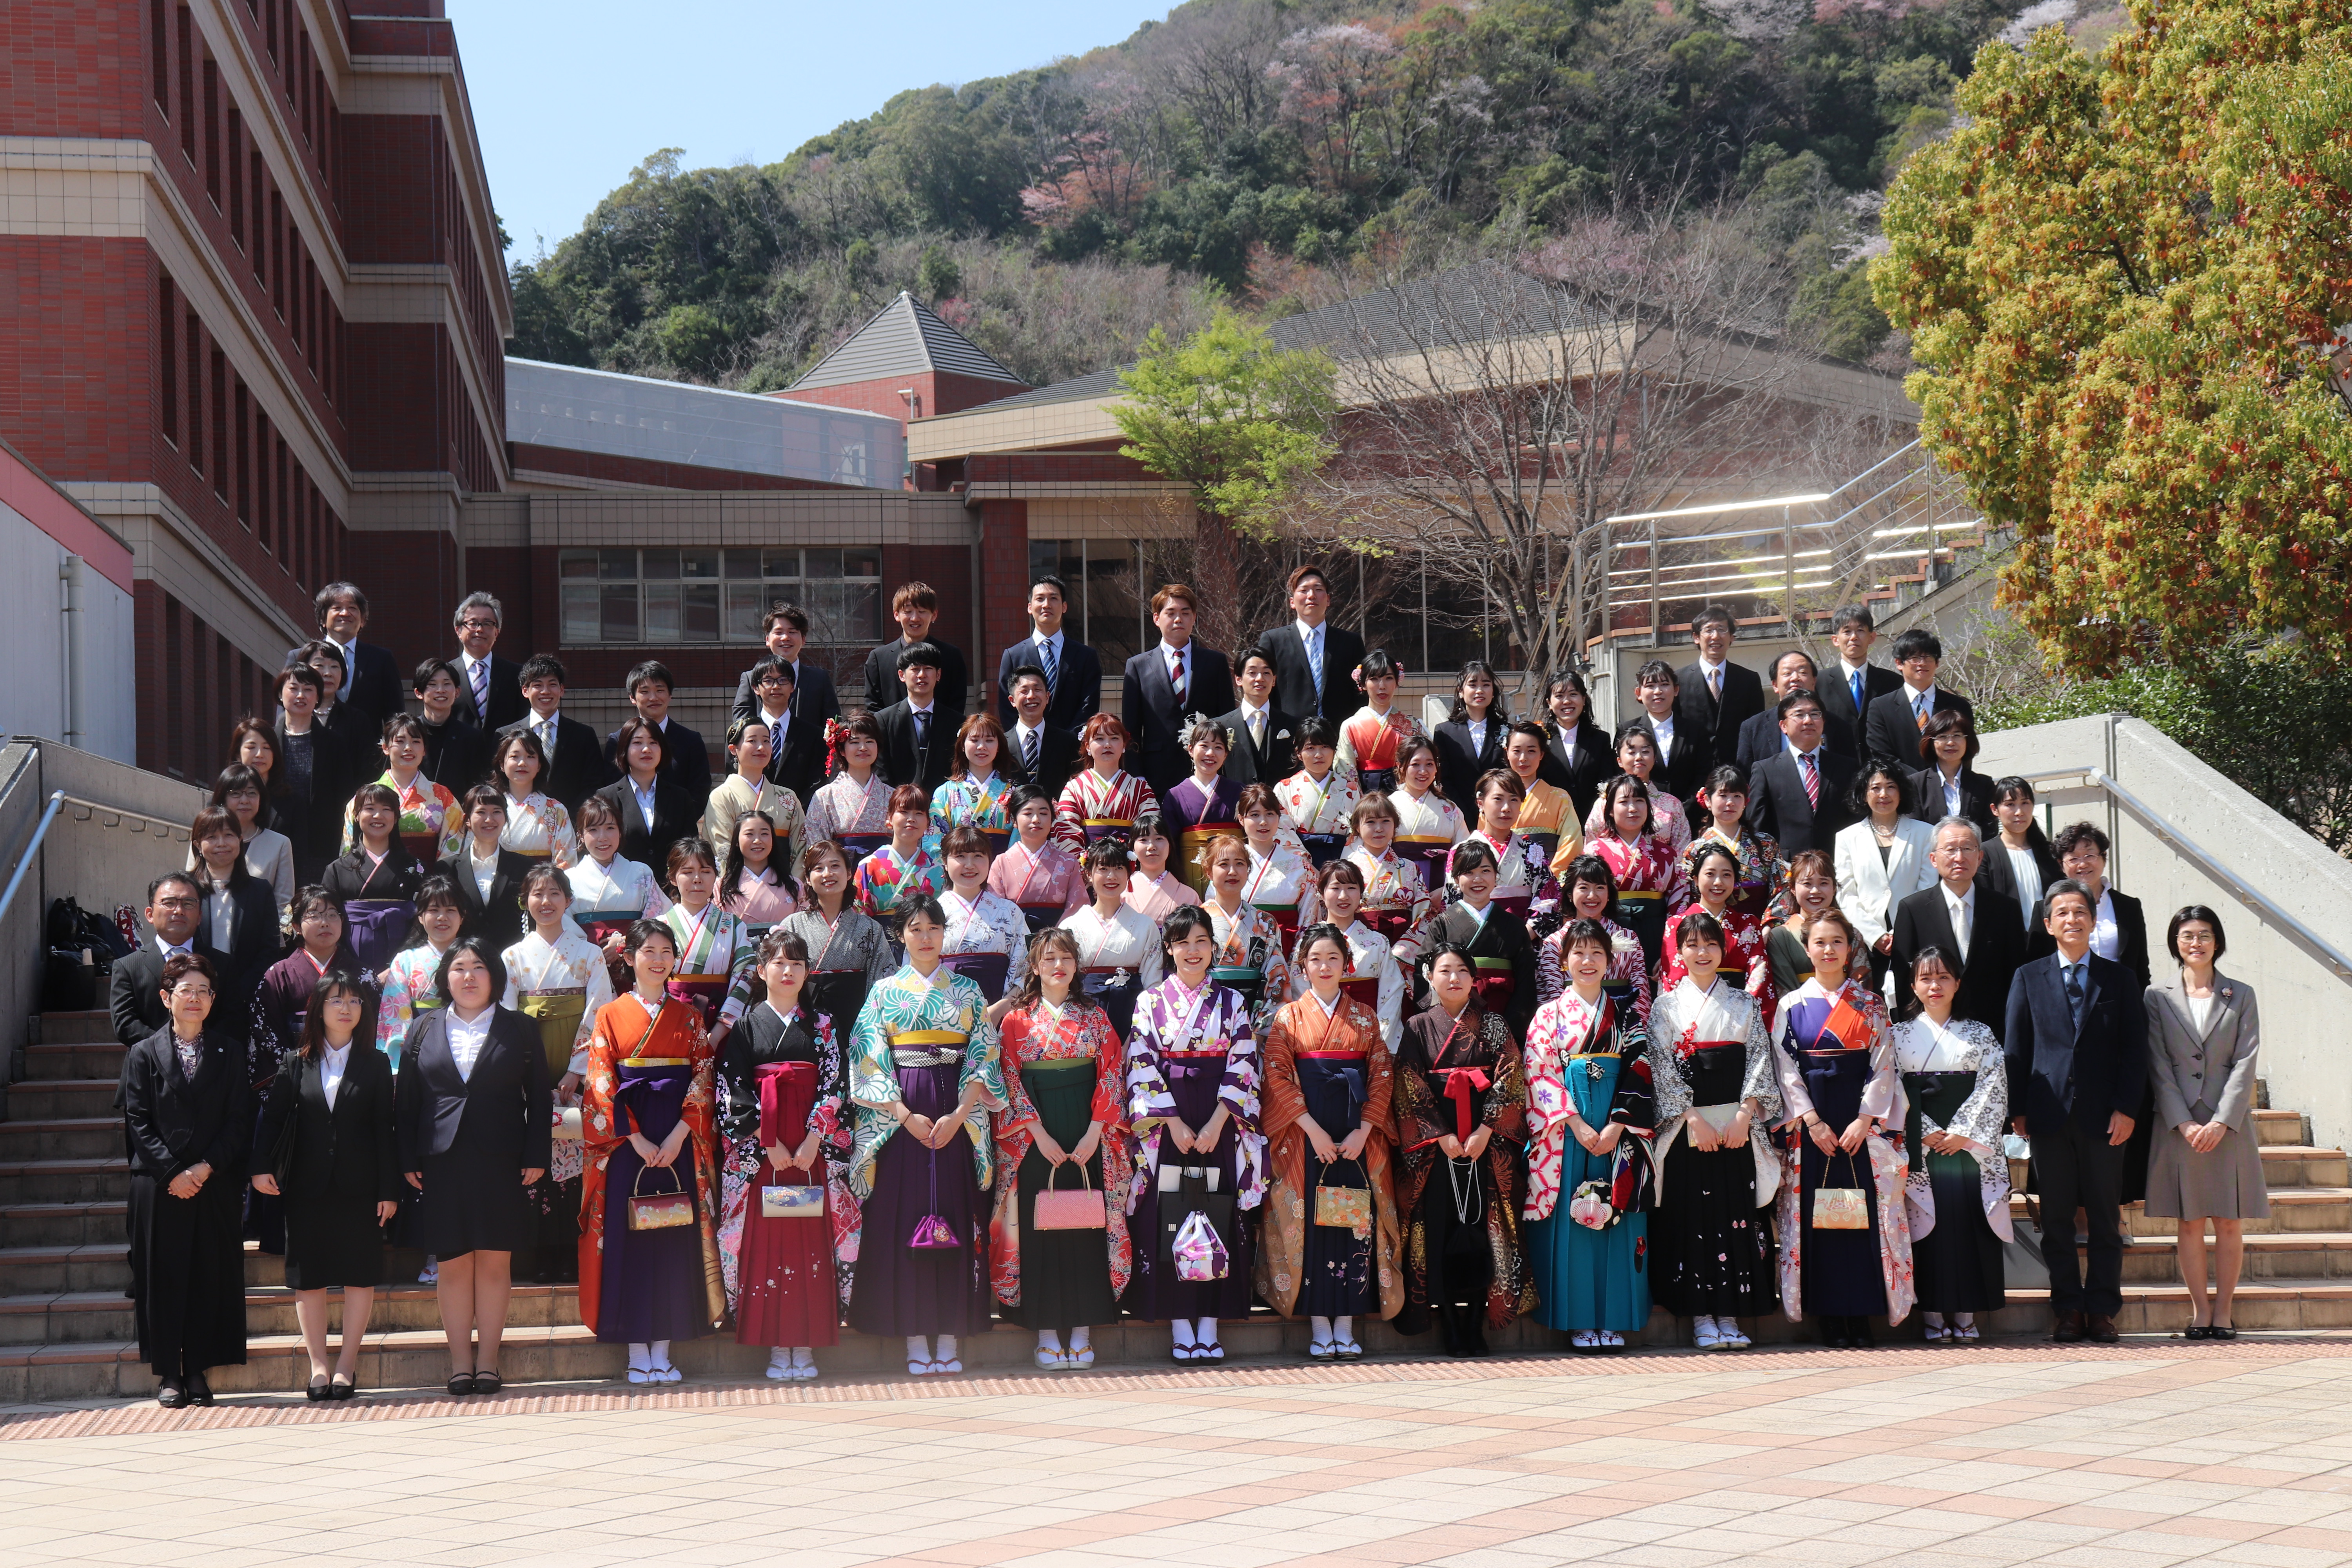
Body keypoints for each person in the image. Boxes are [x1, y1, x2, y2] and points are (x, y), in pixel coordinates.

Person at [846, 896, 1007, 1376]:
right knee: (906, 1216)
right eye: (915, 928)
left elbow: (984, 1054)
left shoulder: (969, 991)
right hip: (903, 1114)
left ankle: (950, 1333)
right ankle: (915, 1335)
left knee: (956, 1215)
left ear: (945, 934)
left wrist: (961, 1114)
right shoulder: (883, 992)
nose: (925, 937)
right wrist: (900, 1113)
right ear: (901, 935)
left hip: (954, 1107)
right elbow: (867, 1053)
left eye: (933, 928)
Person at [396, 937, 551, 1395]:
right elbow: (406, 1102)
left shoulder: (520, 1029)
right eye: (459, 967)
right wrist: (407, 1157)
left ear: (494, 977)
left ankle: (489, 1362)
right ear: (446, 977)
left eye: (479, 967)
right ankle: (460, 1362)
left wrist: (536, 1155)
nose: (469, 976)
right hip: (441, 1160)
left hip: (502, 1158)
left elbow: (539, 1100)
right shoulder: (422, 1029)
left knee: (494, 1264)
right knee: (453, 1263)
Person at [2004, 878, 2149, 1345]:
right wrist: (2019, 1111)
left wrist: (2127, 1108)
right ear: (2048, 924)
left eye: (2080, 912)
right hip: (2048, 1118)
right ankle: (2067, 1308)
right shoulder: (2028, 976)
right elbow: (2017, 1049)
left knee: (2107, 1220)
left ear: (2093, 920)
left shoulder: (2119, 978)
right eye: (2062, 913)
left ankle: (2104, 1309)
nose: (2072, 919)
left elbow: (2134, 1050)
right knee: (2058, 1221)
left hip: (2105, 1117)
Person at [579, 919, 724, 1383]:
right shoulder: (609, 1015)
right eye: (649, 951)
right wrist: (636, 1138)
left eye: (666, 951)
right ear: (630, 957)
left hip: (677, 1136)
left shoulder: (690, 1016)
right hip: (629, 1140)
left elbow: (704, 1076)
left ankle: (663, 1346)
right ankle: (636, 1350)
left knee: (673, 1236)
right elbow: (601, 1083)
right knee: (632, 1240)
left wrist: (682, 1132)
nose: (658, 960)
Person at [1122, 904, 1266, 1362]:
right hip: (1171, 1119)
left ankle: (1211, 1320)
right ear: (1169, 947)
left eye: (1201, 941)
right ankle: (1181, 1322)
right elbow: (1141, 1063)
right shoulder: (1150, 1002)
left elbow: (1244, 1062)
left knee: (1217, 1212)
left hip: (1218, 1115)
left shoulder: (1233, 1002)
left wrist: (1221, 1120)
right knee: (1173, 1214)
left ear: (1213, 947)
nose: (1192, 950)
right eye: (1182, 941)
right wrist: (1175, 1123)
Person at [251, 968, 401, 1397]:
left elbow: (384, 1130)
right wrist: (260, 1167)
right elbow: (274, 1118)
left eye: (354, 1000)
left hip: (361, 1186)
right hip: (306, 1184)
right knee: (309, 1276)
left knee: (359, 1274)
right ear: (318, 1008)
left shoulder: (375, 1063)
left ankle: (347, 1365)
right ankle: (318, 1366)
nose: (346, 1008)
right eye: (336, 999)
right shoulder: (295, 1061)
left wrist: (389, 1189)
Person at [990, 926, 1134, 1368]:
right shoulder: (1016, 1020)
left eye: (1067, 958)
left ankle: (1084, 1328)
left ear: (1077, 965)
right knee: (1042, 1230)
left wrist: (1095, 1132)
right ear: (1034, 966)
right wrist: (1037, 1133)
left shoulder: (1095, 1016)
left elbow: (1111, 1072)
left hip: (1087, 1133)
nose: (1058, 966)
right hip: (1037, 1137)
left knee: (1086, 1227)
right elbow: (1009, 1078)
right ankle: (1048, 1331)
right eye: (1049, 958)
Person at [1258, 923, 1403, 1358]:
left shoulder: (1364, 1018)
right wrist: (1312, 1129)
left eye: (1333, 958)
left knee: (1353, 1222)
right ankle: (1320, 1323)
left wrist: (1364, 1130)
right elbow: (1278, 1075)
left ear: (1347, 965)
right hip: (1306, 1137)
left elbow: (1381, 1075)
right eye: (1316, 959)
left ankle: (1348, 1321)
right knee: (1313, 1223)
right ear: (1302, 966)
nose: (1324, 966)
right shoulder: (1288, 1017)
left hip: (1354, 1135)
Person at [1772, 907, 1913, 1347]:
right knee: (1820, 1222)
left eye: (1837, 941)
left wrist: (1866, 1119)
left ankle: (1863, 1313)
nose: (1828, 950)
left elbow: (1884, 1064)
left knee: (1863, 1219)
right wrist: (1811, 1121)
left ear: (1850, 948)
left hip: (1859, 1127)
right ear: (1808, 948)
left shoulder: (1870, 1004)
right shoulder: (1791, 1005)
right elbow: (1784, 1067)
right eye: (1820, 942)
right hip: (1815, 1127)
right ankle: (1829, 1314)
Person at [717, 930, 851, 1380]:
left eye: (797, 963)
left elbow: (835, 1084)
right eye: (778, 963)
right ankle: (776, 1345)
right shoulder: (746, 1028)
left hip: (810, 1150)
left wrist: (815, 1137)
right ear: (761, 971)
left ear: (807, 971)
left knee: (809, 1240)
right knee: (766, 1242)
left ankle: (807, 1345)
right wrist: (768, 1143)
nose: (788, 971)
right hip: (766, 1154)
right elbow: (731, 1092)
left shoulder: (825, 1025)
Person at [1645, 912, 1782, 1348]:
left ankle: (1731, 1313)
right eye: (1692, 945)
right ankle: (1702, 1316)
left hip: (1736, 1128)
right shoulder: (1665, 1006)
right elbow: (1662, 1069)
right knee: (1692, 1219)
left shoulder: (1743, 1003)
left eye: (1710, 944)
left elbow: (1760, 1060)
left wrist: (1746, 1114)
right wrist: (1690, 1118)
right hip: (1690, 1130)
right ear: (1679, 952)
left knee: (1735, 1217)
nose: (1701, 953)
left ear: (1723, 951)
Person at [121, 950, 249, 1408]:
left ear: (213, 1000)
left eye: (203, 991)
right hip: (159, 1185)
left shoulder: (230, 1052)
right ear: (166, 997)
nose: (194, 999)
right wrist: (173, 1171)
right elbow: (137, 1120)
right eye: (185, 990)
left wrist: (205, 1167)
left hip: (213, 1182)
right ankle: (169, 1374)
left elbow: (239, 1119)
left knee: (208, 1277)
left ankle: (198, 1369)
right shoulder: (142, 1054)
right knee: (163, 1277)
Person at [1522, 921, 1653, 1351]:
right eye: (1578, 953)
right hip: (1568, 1131)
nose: (1588, 961)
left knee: (1615, 1215)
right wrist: (1576, 1124)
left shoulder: (1628, 1015)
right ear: (1564, 964)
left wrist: (1617, 1125)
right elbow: (1539, 1073)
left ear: (1609, 961)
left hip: (1617, 1128)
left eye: (1597, 953)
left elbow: (1640, 1069)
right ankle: (1578, 1319)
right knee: (1573, 1221)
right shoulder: (1549, 1016)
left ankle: (1613, 1318)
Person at [2145, 907, 2267, 1341]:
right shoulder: (2156, 996)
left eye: (2204, 935)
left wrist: (2221, 1121)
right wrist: (2183, 1122)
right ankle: (2199, 1311)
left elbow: (2246, 1061)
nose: (2195, 943)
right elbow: (2157, 1065)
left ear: (2218, 941)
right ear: (2175, 943)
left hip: (2228, 1126)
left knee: (2230, 1220)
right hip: (2179, 1125)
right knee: (2190, 1221)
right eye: (2186, 936)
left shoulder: (2242, 994)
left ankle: (2225, 1311)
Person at [2030, 821, 2156, 1203]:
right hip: (2065, 1025)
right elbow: (2037, 967)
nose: (2082, 863)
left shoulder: (2128, 907)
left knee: (2117, 1119)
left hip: (2115, 1017)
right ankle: (2078, 1216)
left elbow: (2142, 967)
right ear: (2061, 864)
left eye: (2091, 855)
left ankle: (2114, 1212)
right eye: (2073, 857)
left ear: (2103, 859)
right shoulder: (2047, 910)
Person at [501, 863, 613, 1285]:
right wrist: (528, 1074)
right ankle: (539, 1255)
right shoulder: (512, 957)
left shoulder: (588, 956)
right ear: (525, 902)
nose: (545, 902)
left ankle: (570, 1251)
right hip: (529, 1067)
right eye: (536, 894)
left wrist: (575, 1071)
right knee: (536, 1161)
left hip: (575, 1069)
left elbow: (599, 1012)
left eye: (554, 893)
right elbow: (509, 1017)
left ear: (568, 901)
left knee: (574, 1159)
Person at [1894, 945, 2011, 1343]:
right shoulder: (1898, 1035)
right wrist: (1924, 1129)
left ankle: (1965, 1313)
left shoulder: (1980, 1033)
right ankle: (1930, 1313)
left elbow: (1994, 1084)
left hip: (1969, 1147)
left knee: (1968, 1225)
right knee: (1928, 1229)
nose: (1935, 985)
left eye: (1944, 976)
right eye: (1926, 977)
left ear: (1958, 983)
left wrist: (1965, 1131)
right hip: (1920, 1144)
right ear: (1913, 985)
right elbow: (1893, 1088)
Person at [1891, 818, 2027, 1024]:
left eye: (1967, 848)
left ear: (1980, 857)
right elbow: (1903, 979)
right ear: (1934, 859)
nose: (1959, 857)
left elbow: (2017, 975)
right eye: (1950, 849)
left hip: (1994, 1028)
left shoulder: (2005, 909)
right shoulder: (1912, 909)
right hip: (1933, 1030)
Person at [780, 838, 897, 1045]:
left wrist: (872, 1024)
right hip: (804, 1023)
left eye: (835, 866)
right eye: (819, 868)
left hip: (859, 1026)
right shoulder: (792, 925)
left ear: (849, 873)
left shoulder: (870, 928)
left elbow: (883, 983)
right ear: (807, 878)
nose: (828, 874)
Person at [1834, 759, 1937, 993]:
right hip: (1867, 941)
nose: (1884, 794)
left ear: (1901, 792)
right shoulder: (1847, 838)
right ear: (1864, 794)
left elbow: (1927, 886)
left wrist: (1900, 932)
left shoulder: (1925, 833)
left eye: (1891, 787)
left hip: (1914, 936)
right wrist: (1876, 935)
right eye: (1875, 788)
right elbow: (1846, 893)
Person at [1419, 838, 1537, 1040]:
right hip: (1453, 1014)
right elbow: (1424, 973)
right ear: (1456, 879)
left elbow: (1526, 982)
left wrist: (1511, 1026)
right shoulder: (1442, 924)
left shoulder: (1514, 925)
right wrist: (1442, 1019)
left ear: (1496, 876)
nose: (1478, 879)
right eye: (1469, 873)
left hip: (1504, 1014)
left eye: (1485, 871)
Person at [1121, 583, 1230, 796]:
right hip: (1156, 774)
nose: (1178, 619)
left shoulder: (1215, 662)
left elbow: (1225, 719)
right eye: (1170, 613)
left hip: (1207, 771)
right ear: (1156, 619)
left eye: (1185, 613)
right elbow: (1131, 730)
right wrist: (1137, 775)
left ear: (1194, 618)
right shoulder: (1138, 665)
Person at [187, 806, 278, 1050]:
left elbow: (269, 949)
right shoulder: (186, 890)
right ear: (197, 844)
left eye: (229, 836)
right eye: (211, 837)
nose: (221, 843)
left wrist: (240, 989)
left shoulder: (260, 891)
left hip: (244, 999)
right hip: (193, 998)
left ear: (240, 840)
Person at [730, 603, 842, 799]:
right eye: (779, 632)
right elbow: (739, 728)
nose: (785, 638)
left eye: (793, 632)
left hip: (806, 778)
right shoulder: (750, 679)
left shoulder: (819, 679)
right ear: (767, 639)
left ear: (804, 639)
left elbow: (831, 728)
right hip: (760, 779)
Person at [1659, 840, 1776, 1028]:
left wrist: (1742, 1015)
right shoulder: (1676, 924)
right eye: (1710, 874)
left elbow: (1759, 976)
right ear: (1695, 879)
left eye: (1726, 875)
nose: (1718, 883)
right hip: (1693, 1018)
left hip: (1739, 1019)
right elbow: (1674, 979)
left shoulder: (1748, 923)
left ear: (1736, 881)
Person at [256, 889, 376, 1066]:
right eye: (314, 916)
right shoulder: (278, 976)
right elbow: (266, 1033)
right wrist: (292, 1072)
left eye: (332, 915)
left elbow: (374, 1029)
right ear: (296, 926)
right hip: (296, 1074)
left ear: (343, 922)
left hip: (354, 1071)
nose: (325, 923)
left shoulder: (364, 975)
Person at [1060, 837, 1163, 1040]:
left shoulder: (1145, 925)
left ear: (1129, 874)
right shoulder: (1070, 926)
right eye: (1103, 869)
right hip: (1082, 1015)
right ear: (1089, 874)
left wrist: (1144, 1028)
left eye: (1118, 868)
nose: (1111, 876)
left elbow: (1153, 984)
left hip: (1132, 1014)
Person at [1586, 776, 1689, 976]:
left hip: (1656, 931)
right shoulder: (1595, 851)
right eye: (1624, 802)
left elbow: (1679, 898)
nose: (1633, 808)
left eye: (1640, 801)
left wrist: (1670, 947)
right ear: (1609, 810)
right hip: (1609, 930)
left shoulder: (1666, 854)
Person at [658, 838, 759, 1040]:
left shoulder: (735, 926)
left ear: (715, 876)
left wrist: (718, 1033)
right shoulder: (660, 927)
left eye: (705, 871)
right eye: (687, 872)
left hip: (720, 1024)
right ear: (673, 878)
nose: (697, 879)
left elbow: (745, 978)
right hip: (668, 1021)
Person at [322, 783, 426, 972]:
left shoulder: (414, 868)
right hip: (348, 965)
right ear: (356, 815)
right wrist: (347, 964)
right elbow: (328, 920)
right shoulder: (337, 869)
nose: (378, 816)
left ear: (396, 818)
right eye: (370, 809)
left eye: (386, 810)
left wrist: (401, 964)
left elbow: (424, 918)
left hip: (404, 965)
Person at [1745, 690, 1861, 858]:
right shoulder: (1766, 770)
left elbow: (1857, 819)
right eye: (1799, 715)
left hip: (1838, 861)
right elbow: (1758, 825)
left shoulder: (1847, 767)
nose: (1808, 721)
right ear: (1784, 726)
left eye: (1815, 714)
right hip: (1786, 867)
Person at [1536, 856, 1653, 1024]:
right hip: (1571, 1026)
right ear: (1570, 894)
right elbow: (1551, 995)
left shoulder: (1629, 938)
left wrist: (1633, 1030)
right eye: (1584, 888)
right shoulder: (1554, 943)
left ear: (1609, 894)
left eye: (1600, 888)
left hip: (1623, 1024)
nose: (1592, 896)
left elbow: (1641, 991)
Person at [1200, 833, 1295, 1035]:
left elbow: (1277, 977)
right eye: (1224, 864)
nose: (1233, 872)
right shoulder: (1197, 921)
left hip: (1253, 1013)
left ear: (1248, 870)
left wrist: (1261, 1030)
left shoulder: (1266, 923)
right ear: (1208, 871)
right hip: (1205, 1013)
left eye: (1240, 864)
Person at [349, 713, 467, 867]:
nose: (408, 748)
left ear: (425, 749)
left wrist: (438, 881)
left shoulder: (443, 796)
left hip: (428, 883)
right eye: (400, 741)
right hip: (375, 878)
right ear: (386, 747)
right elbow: (350, 843)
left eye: (416, 741)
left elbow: (454, 844)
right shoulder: (364, 798)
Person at [504, 654, 615, 818]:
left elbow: (593, 785)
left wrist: (565, 818)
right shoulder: (506, 735)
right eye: (538, 685)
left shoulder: (584, 735)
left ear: (562, 690)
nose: (545, 691)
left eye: (552, 685)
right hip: (518, 822)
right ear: (525, 691)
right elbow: (500, 782)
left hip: (570, 824)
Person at [935, 824, 1032, 1007]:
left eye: (978, 856)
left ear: (990, 860)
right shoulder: (932, 912)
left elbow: (1027, 967)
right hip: (942, 1009)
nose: (970, 865)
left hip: (1000, 1008)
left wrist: (1001, 1008)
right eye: (960, 856)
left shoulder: (1009, 912)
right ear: (945, 863)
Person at [564, 794, 673, 956]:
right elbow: (563, 926)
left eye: (610, 828)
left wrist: (625, 943)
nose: (603, 838)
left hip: (635, 958)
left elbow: (661, 920)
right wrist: (591, 949)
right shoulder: (568, 879)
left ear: (621, 832)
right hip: (585, 958)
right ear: (580, 835)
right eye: (593, 830)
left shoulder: (641, 873)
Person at [1450, 769, 1559, 930]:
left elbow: (1548, 900)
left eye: (1514, 800)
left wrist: (1523, 938)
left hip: (1523, 939)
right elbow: (1452, 902)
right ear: (1481, 803)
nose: (1507, 808)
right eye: (1498, 799)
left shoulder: (1534, 852)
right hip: (1474, 940)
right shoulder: (1460, 852)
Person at [1256, 564, 1366, 722]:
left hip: (1340, 736)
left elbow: (1361, 692)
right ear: (1292, 602)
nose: (1312, 596)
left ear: (1328, 600)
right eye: (1304, 590)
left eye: (1318, 589)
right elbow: (1262, 690)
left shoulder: (1351, 642)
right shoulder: (1273, 641)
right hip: (1289, 736)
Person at [591, 717, 703, 870]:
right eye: (638, 743)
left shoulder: (681, 797)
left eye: (653, 743)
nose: (646, 749)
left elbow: (689, 849)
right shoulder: (606, 798)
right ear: (624, 749)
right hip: (623, 887)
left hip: (670, 889)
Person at [375, 874, 467, 1057]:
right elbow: (395, 1016)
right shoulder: (405, 961)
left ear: (462, 917)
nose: (442, 917)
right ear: (421, 917)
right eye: (434, 910)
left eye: (450, 910)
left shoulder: (476, 957)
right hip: (420, 1045)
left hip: (467, 1041)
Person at [996, 572, 1102, 732]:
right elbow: (1007, 707)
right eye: (1040, 599)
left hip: (1071, 748)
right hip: (1028, 748)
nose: (1047, 605)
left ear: (1064, 607)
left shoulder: (1086, 656)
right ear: (1030, 608)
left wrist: (1068, 740)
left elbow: (1089, 705)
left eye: (1053, 598)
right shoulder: (1013, 656)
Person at [271, 662, 346, 885]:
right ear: (280, 693)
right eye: (293, 688)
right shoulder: (266, 742)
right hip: (274, 841)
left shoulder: (334, 745)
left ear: (318, 698)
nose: (301, 695)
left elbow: (344, 798)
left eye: (309, 689)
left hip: (320, 846)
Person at [1344, 794, 1440, 967]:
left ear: (1395, 825)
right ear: (1357, 827)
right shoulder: (1346, 868)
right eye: (1371, 822)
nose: (1379, 828)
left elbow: (1423, 914)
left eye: (1386, 821)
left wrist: (1402, 953)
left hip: (1402, 947)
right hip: (1358, 947)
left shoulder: (1410, 868)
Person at [190, 764, 295, 920]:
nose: (245, 800)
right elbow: (191, 888)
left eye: (252, 793)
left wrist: (273, 938)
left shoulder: (280, 844)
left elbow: (284, 904)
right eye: (236, 794)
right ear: (222, 798)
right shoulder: (204, 839)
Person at [112, 873, 204, 1049]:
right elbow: (125, 1024)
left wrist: (198, 1049)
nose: (179, 911)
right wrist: (171, 1048)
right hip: (149, 1068)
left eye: (188, 903)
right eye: (169, 903)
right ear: (150, 914)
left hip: (208, 1066)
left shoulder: (222, 964)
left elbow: (230, 1018)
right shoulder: (127, 967)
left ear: (199, 916)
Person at [1675, 604, 1766, 781]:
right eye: (1709, 630)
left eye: (1722, 630)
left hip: (1738, 774)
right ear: (1696, 637)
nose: (1716, 636)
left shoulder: (1749, 680)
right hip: (1692, 774)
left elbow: (1757, 729)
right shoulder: (1679, 680)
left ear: (1732, 637)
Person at [293, 581, 403, 727]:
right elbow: (287, 707)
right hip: (313, 745)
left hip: (365, 747)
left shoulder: (382, 659)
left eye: (352, 608)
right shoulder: (300, 656)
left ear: (363, 620)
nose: (345, 613)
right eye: (337, 608)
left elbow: (395, 715)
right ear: (323, 619)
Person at [1863, 627, 1975, 768]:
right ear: (1899, 663)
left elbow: (1967, 753)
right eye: (1915, 658)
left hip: (1949, 787)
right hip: (1903, 787)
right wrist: (1920, 782)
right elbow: (1883, 757)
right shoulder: (1881, 708)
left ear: (1937, 663)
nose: (1922, 663)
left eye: (1928, 657)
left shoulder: (1959, 706)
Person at [706, 715, 805, 874]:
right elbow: (722, 849)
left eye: (766, 741)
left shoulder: (788, 797)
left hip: (785, 887)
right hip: (739, 889)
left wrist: (794, 886)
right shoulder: (722, 796)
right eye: (752, 741)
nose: (761, 748)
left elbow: (802, 847)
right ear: (733, 749)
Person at [438, 785, 532, 951]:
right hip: (464, 962)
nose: (489, 820)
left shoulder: (526, 868)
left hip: (513, 960)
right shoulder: (447, 869)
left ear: (505, 818)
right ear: (467, 820)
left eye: (496, 812)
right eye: (481, 812)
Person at [1684, 764, 1782, 924]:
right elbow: (1689, 894)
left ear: (1746, 801)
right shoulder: (1695, 850)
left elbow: (1781, 888)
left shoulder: (1766, 844)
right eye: (1723, 795)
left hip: (1759, 924)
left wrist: (1769, 925)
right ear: (1708, 801)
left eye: (1737, 796)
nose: (1730, 803)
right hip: (1710, 926)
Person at [1580, 725, 1691, 863]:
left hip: (1662, 878)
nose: (1639, 757)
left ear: (1655, 757)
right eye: (1632, 753)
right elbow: (1593, 844)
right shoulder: (1605, 802)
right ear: (1619, 761)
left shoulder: (1672, 804)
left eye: (1645, 751)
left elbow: (1682, 849)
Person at [606, 660, 712, 802]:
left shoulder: (691, 741)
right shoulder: (618, 741)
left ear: (670, 695)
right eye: (645, 692)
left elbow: (700, 791)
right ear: (632, 698)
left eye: (660, 690)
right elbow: (612, 791)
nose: (653, 698)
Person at [804, 711, 895, 875]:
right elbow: (817, 846)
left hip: (887, 876)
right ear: (842, 750)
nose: (863, 748)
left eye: (869, 741)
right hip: (841, 876)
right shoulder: (825, 796)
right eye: (855, 742)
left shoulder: (893, 796)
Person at [1054, 713, 1161, 853]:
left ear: (1124, 745)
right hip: (1087, 868)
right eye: (1099, 739)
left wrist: (1131, 864)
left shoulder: (1141, 789)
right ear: (1088, 746)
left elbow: (1151, 833)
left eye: (1114, 739)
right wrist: (1086, 867)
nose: (1107, 745)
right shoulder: (1074, 789)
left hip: (1130, 865)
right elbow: (1066, 834)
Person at [987, 785, 1087, 933]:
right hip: (1014, 939)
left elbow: (1078, 908)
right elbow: (994, 909)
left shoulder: (1068, 862)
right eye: (1028, 813)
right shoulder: (1001, 863)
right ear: (1014, 820)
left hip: (1058, 943)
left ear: (1053, 818)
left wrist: (1056, 940)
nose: (1036, 820)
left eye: (1043, 813)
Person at [864, 581, 969, 718]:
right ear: (897, 615)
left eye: (922, 612)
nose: (915, 618)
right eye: (908, 612)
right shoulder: (878, 659)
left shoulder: (951, 656)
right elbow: (874, 709)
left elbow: (957, 706)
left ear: (934, 615)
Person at [1735, 650, 1856, 768]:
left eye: (1803, 673)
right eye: (1787, 674)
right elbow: (1746, 779)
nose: (1795, 678)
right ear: (1775, 685)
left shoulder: (1840, 727)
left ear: (1814, 682)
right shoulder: (1752, 728)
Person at [1765, 849, 1861, 998]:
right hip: (1802, 1014)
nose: (1815, 891)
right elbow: (1784, 990)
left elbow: (1861, 983)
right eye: (1807, 884)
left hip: (1849, 1014)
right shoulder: (1780, 937)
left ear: (1834, 888)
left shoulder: (1852, 934)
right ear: (1792, 889)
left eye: (1824, 883)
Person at [735, 655, 826, 806]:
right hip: (751, 820)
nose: (776, 686)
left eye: (783, 680)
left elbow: (817, 783)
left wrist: (792, 814)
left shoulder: (814, 735)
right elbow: (735, 779)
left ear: (793, 686)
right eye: (768, 681)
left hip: (798, 820)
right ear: (756, 688)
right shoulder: (741, 734)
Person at [852, 785, 947, 929]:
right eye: (904, 812)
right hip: (878, 944)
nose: (911, 819)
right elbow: (857, 917)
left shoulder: (938, 871)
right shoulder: (868, 867)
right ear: (889, 818)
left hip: (924, 944)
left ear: (928, 822)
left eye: (919, 813)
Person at [1237, 782, 1319, 947]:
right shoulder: (1230, 864)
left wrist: (1298, 957)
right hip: (1240, 948)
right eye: (1254, 815)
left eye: (1270, 814)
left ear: (1279, 818)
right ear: (1241, 819)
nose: (1263, 822)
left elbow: (1309, 918)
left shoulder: (1300, 867)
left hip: (1286, 948)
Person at [1335, 650, 1423, 800]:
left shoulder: (1412, 724)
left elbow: (1422, 765)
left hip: (1405, 796)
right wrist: (1360, 805)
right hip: (1364, 799)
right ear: (1362, 684)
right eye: (1374, 679)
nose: (1382, 686)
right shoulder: (1351, 726)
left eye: (1389, 678)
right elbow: (1346, 772)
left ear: (1397, 682)